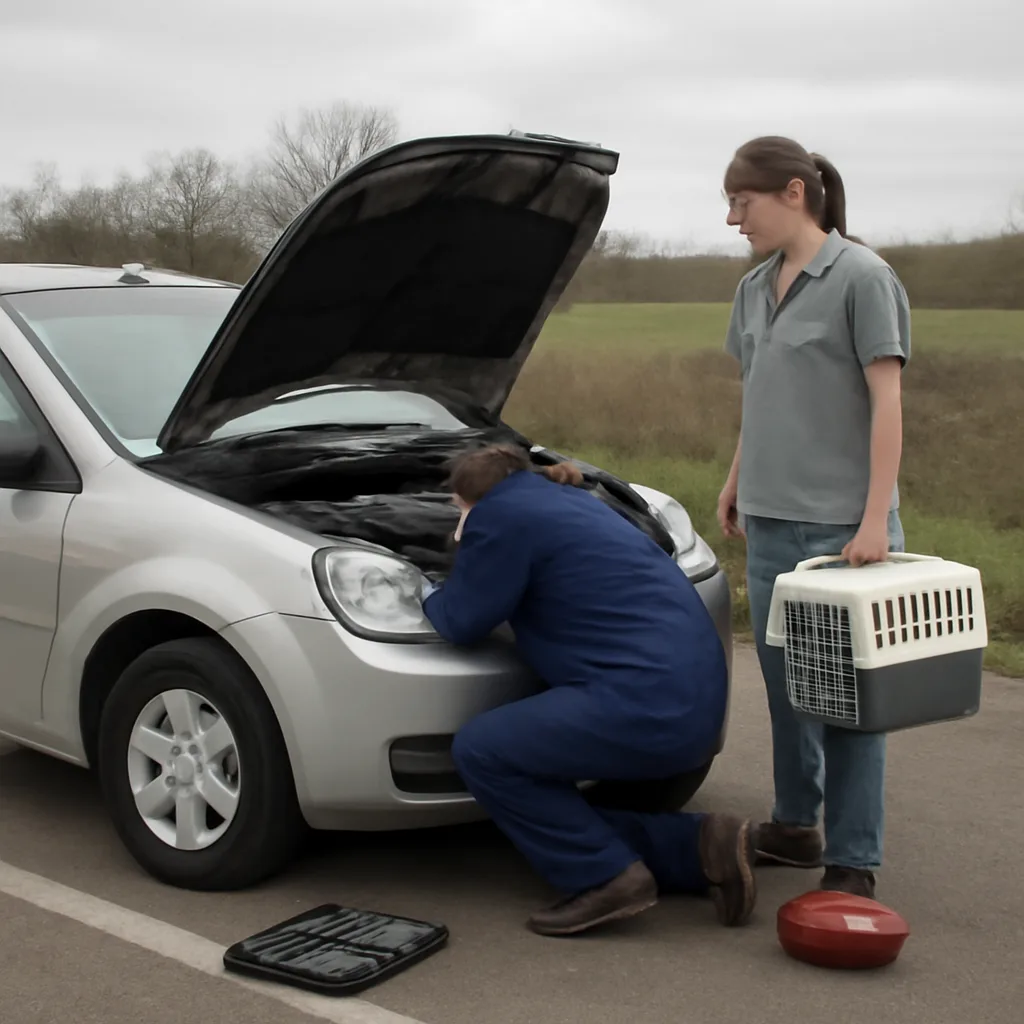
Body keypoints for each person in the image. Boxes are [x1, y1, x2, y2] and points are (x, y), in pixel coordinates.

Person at [420, 443, 756, 937]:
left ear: (467, 499)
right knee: (534, 773)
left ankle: (606, 876)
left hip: (644, 703)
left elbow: (461, 620)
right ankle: (702, 844)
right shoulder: (576, 501)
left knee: (484, 751)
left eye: (456, 509)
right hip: (694, 694)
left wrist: (425, 588)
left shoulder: (500, 516)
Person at [717, 136, 911, 899]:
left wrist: (873, 522)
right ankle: (796, 826)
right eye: (729, 203)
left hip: (842, 534)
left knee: (851, 704)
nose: (733, 218)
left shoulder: (863, 276)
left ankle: (854, 861)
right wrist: (736, 481)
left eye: (743, 201)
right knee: (788, 689)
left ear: (794, 192)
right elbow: (758, 396)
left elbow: (887, 403)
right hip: (768, 524)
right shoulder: (753, 287)